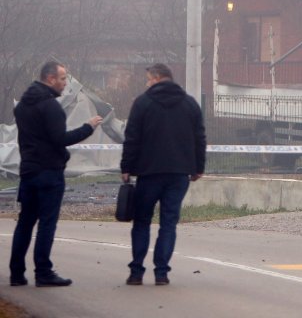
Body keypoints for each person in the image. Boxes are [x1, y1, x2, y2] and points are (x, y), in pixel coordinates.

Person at [9, 61, 103, 287]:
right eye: (62, 78)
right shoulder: (50, 107)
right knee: (47, 223)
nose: (65, 84)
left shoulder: (22, 106)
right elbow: (60, 139)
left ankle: (16, 274)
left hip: (29, 170)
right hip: (49, 172)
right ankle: (43, 271)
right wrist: (88, 127)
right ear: (50, 78)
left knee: (25, 222)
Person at [120, 63, 206, 286]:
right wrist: (198, 167)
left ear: (157, 78)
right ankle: (161, 273)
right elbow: (200, 137)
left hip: (148, 173)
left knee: (141, 222)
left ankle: (136, 272)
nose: (147, 83)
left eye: (148, 79)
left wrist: (126, 167)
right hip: (179, 174)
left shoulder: (142, 103)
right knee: (168, 223)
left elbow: (132, 138)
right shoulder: (190, 104)